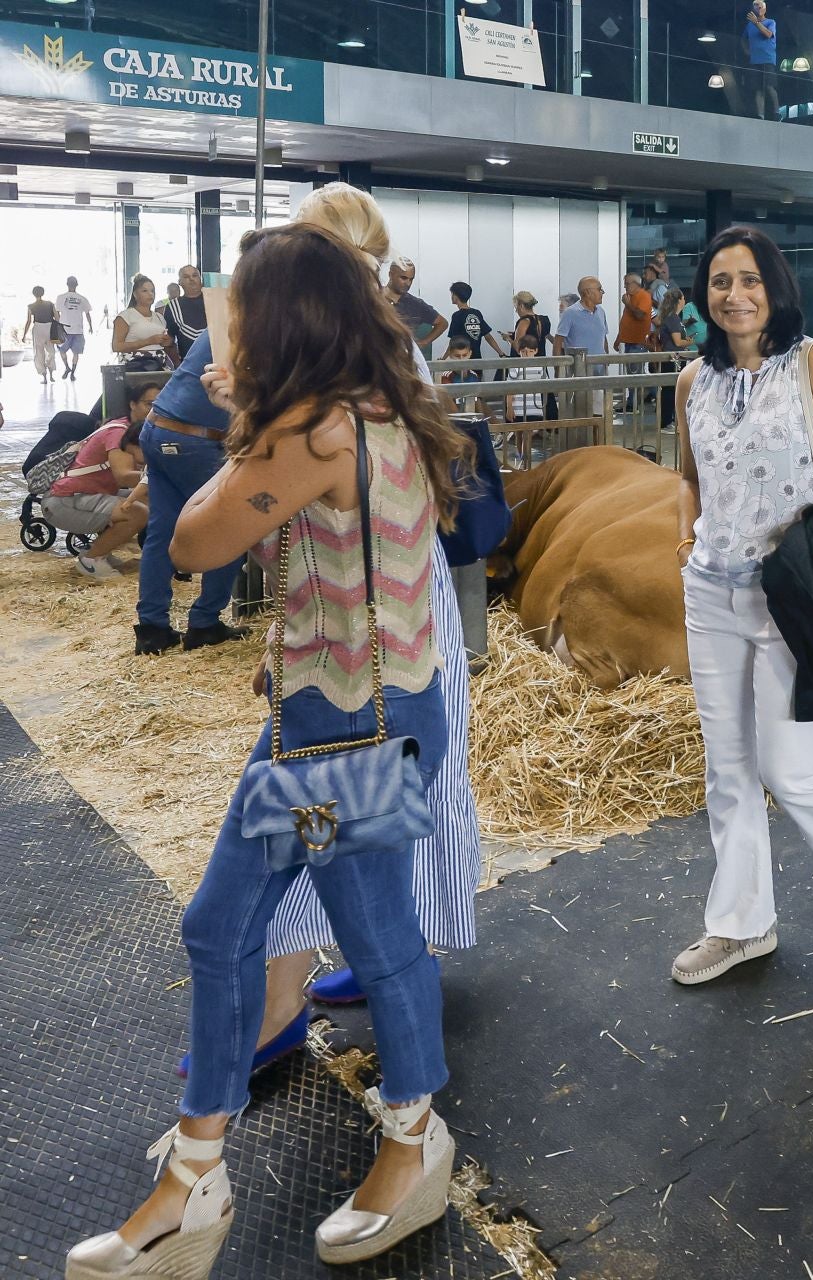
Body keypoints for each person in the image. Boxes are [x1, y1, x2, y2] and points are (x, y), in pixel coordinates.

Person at [66, 220, 473, 1278]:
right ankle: (197, 1170)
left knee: (369, 931)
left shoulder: (315, 430)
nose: (223, 331)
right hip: (330, 712)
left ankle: (411, 1141)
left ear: (281, 320)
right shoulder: (374, 404)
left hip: (352, 731)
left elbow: (193, 539)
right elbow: (349, 560)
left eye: (235, 313)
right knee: (226, 924)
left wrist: (234, 410)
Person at [215, 179, 486, 1050]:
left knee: (327, 800)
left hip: (371, 614)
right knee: (384, 795)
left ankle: (305, 994)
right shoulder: (384, 350)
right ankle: (388, 962)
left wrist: (246, 413)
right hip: (390, 604)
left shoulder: (339, 369)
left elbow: (221, 531)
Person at [668, 225, 813, 986]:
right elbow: (688, 477)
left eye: (750, 280)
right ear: (704, 294)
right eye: (721, 282)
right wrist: (686, 537)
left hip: (792, 596)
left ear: (776, 288)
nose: (735, 295)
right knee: (728, 767)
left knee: (788, 764)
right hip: (711, 590)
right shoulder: (692, 381)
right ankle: (741, 926)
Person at [136, 331, 250, 655]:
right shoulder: (264, 328)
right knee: (231, 528)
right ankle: (204, 621)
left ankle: (151, 629)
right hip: (196, 439)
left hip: (157, 427)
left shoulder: (219, 322)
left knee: (161, 531)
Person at [48, 382, 157, 577]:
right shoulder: (120, 432)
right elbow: (124, 476)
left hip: (86, 493)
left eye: (160, 405)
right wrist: (161, 476)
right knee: (138, 512)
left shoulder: (131, 428)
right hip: (67, 499)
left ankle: (102, 552)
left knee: (148, 498)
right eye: (149, 404)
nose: (155, 410)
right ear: (132, 404)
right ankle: (91, 560)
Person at [113, 275, 177, 370]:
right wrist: (148, 341)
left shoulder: (159, 317)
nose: (150, 294)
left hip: (160, 362)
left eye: (152, 291)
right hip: (135, 364)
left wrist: (167, 341)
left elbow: (166, 343)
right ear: (135, 294)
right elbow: (117, 346)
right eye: (145, 291)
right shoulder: (125, 316)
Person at [385, 257, 447, 353]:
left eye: (411, 279)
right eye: (403, 278)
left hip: (404, 357)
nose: (408, 283)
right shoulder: (373, 298)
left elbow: (442, 323)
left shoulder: (416, 304)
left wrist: (423, 343)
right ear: (390, 274)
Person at [554, 277, 611, 358]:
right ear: (587, 292)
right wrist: (558, 364)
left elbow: (604, 339)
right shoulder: (570, 313)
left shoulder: (601, 311)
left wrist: (606, 360)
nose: (602, 292)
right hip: (578, 365)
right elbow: (558, 341)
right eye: (599, 290)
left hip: (600, 364)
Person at [447, 282, 505, 357]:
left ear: (456, 296)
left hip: (463, 359)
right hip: (477, 359)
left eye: (452, 293)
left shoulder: (456, 316)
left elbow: (453, 341)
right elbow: (488, 337)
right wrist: (501, 353)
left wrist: (443, 358)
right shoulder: (477, 313)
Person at [743, 0, 779, 120]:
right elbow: (743, 39)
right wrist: (746, 50)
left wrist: (756, 22)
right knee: (758, 88)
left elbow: (768, 34)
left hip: (767, 59)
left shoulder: (771, 22)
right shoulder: (749, 26)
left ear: (765, 9)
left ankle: (777, 112)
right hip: (755, 60)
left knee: (769, 86)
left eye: (760, 6)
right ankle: (760, 115)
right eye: (756, 6)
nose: (758, 8)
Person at [163, 265, 209, 356]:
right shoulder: (172, 307)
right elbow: (169, 341)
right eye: (186, 277)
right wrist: (177, 363)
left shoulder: (213, 300)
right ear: (179, 282)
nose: (191, 279)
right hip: (188, 361)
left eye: (195, 275)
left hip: (218, 360)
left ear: (200, 279)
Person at [54, 275, 93, 380]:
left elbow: (56, 313)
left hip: (64, 329)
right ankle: (73, 373)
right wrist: (90, 326)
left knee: (62, 350)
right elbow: (87, 314)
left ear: (67, 284)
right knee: (76, 353)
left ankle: (67, 367)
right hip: (78, 329)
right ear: (77, 285)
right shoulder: (82, 298)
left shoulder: (60, 297)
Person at [25, 285, 58, 383]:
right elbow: (57, 318)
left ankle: (44, 376)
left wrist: (24, 335)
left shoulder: (31, 306)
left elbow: (28, 321)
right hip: (49, 328)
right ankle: (51, 374)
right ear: (43, 293)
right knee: (51, 351)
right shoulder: (50, 304)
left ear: (33, 294)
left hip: (38, 328)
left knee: (39, 353)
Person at [510, 289, 553, 357]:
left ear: (521, 306)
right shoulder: (545, 320)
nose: (516, 311)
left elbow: (517, 347)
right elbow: (539, 337)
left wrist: (508, 339)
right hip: (541, 360)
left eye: (516, 308)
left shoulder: (524, 321)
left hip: (526, 361)